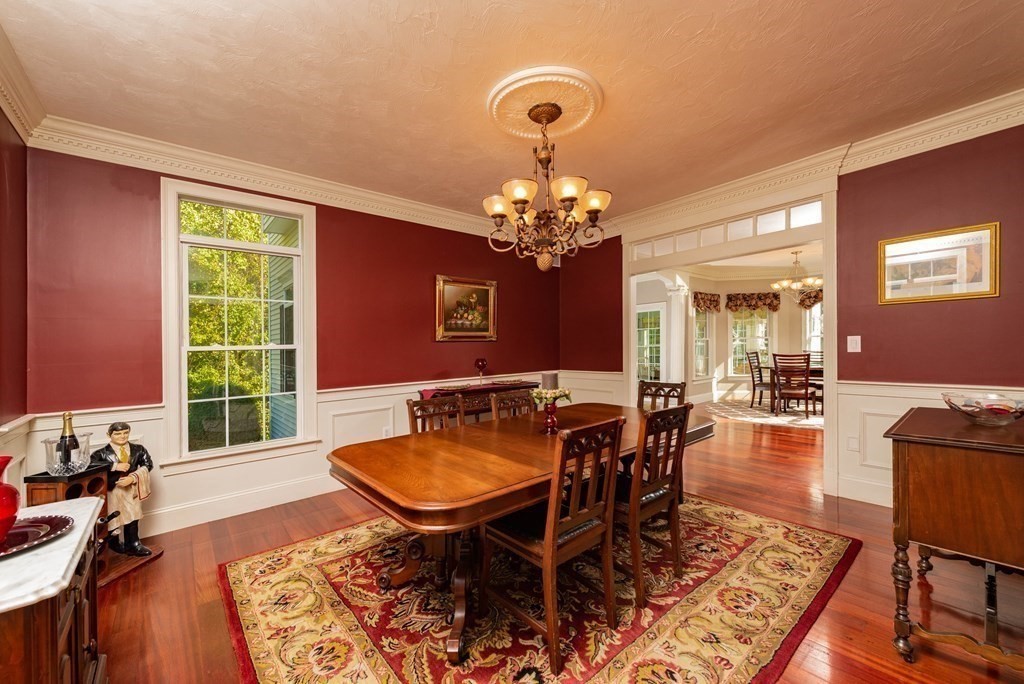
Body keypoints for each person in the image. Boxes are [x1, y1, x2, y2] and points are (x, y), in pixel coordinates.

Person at [90, 422, 154, 557]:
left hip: (131, 489)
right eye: (118, 433)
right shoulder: (101, 453)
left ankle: (134, 544)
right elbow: (91, 465)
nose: (122, 436)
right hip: (112, 490)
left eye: (125, 433)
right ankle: (114, 544)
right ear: (109, 435)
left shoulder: (138, 449)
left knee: (133, 515)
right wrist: (114, 466)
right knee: (113, 517)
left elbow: (148, 464)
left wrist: (133, 478)